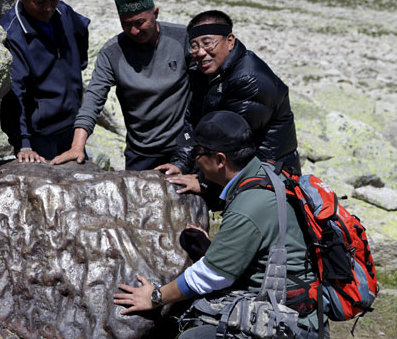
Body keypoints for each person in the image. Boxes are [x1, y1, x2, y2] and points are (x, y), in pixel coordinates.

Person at [114, 111, 324, 339]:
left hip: (288, 320)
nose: (194, 160)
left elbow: (212, 275)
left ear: (221, 160)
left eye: (197, 152)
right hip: (294, 302)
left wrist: (155, 296)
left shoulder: (249, 205)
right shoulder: (265, 174)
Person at [156, 10, 300, 195]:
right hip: (232, 171)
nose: (200, 53)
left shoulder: (250, 80)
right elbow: (193, 125)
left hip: (267, 179)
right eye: (194, 46)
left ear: (230, 41)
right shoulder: (205, 74)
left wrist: (203, 183)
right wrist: (180, 164)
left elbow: (232, 146)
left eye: (207, 43)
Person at [50, 0, 191, 170]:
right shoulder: (112, 53)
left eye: (140, 22)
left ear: (155, 13)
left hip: (185, 145)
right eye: (126, 24)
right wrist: (77, 147)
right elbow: (93, 98)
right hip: (141, 150)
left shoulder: (183, 39)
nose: (133, 31)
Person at [0, 0, 90, 163]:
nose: (49, 8)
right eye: (40, 2)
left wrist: (77, 66)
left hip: (72, 124)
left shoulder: (63, 12)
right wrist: (24, 143)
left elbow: (81, 30)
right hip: (39, 135)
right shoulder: (12, 33)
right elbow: (15, 93)